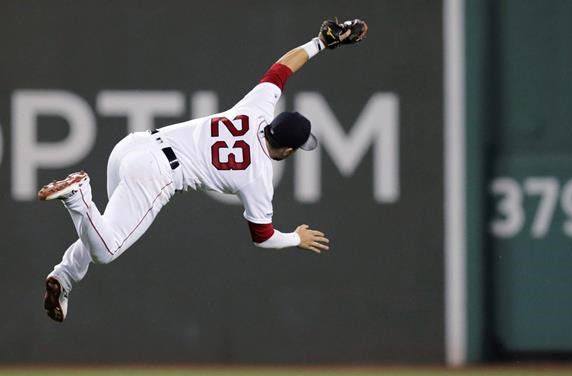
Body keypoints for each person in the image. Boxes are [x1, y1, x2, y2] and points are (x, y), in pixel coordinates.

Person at [38, 19, 368, 322]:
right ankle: (78, 197)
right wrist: (296, 238)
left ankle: (64, 276)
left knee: (106, 227)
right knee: (107, 250)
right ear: (288, 149)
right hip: (156, 174)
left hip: (136, 144)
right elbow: (263, 238)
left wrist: (320, 43)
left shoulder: (256, 109)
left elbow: (282, 69)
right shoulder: (258, 177)